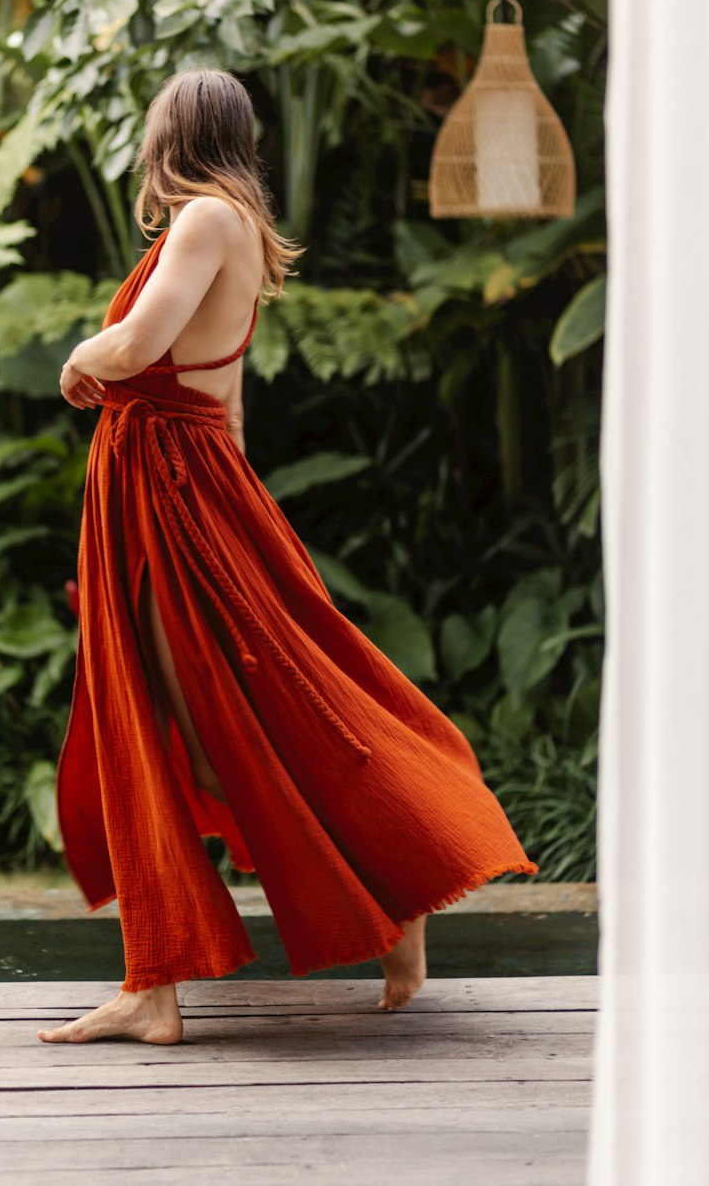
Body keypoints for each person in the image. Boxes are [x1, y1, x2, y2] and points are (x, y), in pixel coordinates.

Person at [39, 68, 538, 1046]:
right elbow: (224, 403)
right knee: (188, 719)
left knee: (210, 712)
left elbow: (140, 342)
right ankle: (168, 977)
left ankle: (385, 893)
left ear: (175, 130)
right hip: (176, 487)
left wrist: (79, 360)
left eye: (153, 121)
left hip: (170, 490)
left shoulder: (205, 221)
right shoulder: (229, 226)